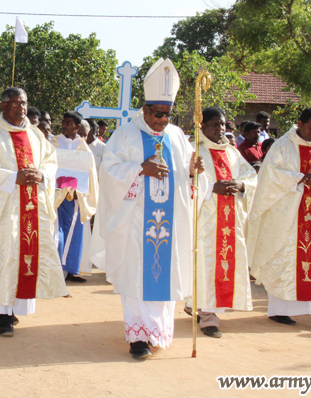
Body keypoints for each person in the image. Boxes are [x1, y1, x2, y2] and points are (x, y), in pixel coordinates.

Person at [89, 58, 204, 359]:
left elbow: (188, 176)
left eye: (167, 115)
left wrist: (194, 169)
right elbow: (109, 171)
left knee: (163, 277)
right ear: (145, 109)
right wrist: (140, 169)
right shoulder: (125, 134)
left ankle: (158, 333)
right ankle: (137, 338)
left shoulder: (177, 136)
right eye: (157, 114)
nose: (162, 120)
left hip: (169, 223)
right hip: (135, 221)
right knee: (135, 277)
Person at [0, 87, 67, 337]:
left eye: (24, 102)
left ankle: (14, 308)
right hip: (3, 212)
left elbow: (51, 162)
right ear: (3, 105)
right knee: (3, 257)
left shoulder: (37, 136)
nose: (21, 107)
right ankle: (1, 315)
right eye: (16, 103)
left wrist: (42, 174)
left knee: (23, 257)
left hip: (31, 209)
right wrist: (13, 178)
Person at [247, 107, 311, 330]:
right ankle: (280, 311)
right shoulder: (282, 146)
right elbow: (270, 176)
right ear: (299, 123)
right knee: (285, 260)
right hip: (288, 217)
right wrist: (300, 178)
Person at [185, 107, 256, 338]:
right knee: (204, 266)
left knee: (222, 265)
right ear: (202, 126)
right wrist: (210, 188)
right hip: (204, 220)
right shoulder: (194, 149)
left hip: (229, 219)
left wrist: (241, 185)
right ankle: (208, 318)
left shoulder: (232, 152)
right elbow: (182, 182)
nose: (220, 128)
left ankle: (201, 307)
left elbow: (250, 176)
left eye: (223, 124)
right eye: (215, 124)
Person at [50, 111, 98, 283]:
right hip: (55, 196)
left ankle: (69, 270)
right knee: (56, 234)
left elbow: (90, 174)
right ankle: (54, 270)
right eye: (63, 122)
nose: (64, 125)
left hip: (75, 198)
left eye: (68, 123)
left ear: (77, 127)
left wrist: (83, 192)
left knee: (73, 234)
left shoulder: (84, 148)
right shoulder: (53, 144)